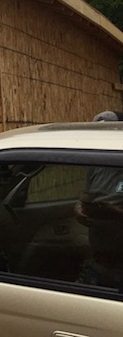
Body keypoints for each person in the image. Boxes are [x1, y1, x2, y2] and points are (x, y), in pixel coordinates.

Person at [75, 110, 123, 287]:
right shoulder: (96, 163)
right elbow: (85, 198)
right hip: (99, 257)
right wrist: (79, 209)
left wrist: (114, 213)